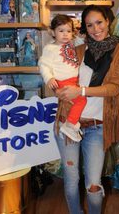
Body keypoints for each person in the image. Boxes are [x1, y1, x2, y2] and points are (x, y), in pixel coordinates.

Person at [54, 5, 119, 214]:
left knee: (93, 185)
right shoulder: (78, 49)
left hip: (97, 127)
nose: (96, 29)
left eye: (99, 22)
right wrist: (59, 88)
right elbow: (61, 78)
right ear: (85, 28)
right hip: (69, 122)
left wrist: (81, 91)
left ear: (108, 21)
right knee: (71, 181)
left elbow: (114, 88)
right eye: (90, 25)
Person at [39, 14, 87, 142]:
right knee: (81, 101)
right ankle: (70, 125)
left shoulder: (71, 44)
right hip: (63, 82)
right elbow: (43, 64)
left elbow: (82, 42)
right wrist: (48, 78)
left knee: (78, 101)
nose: (65, 34)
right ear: (52, 32)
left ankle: (71, 124)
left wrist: (79, 36)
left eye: (69, 31)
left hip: (73, 81)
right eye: (61, 31)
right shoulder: (50, 48)